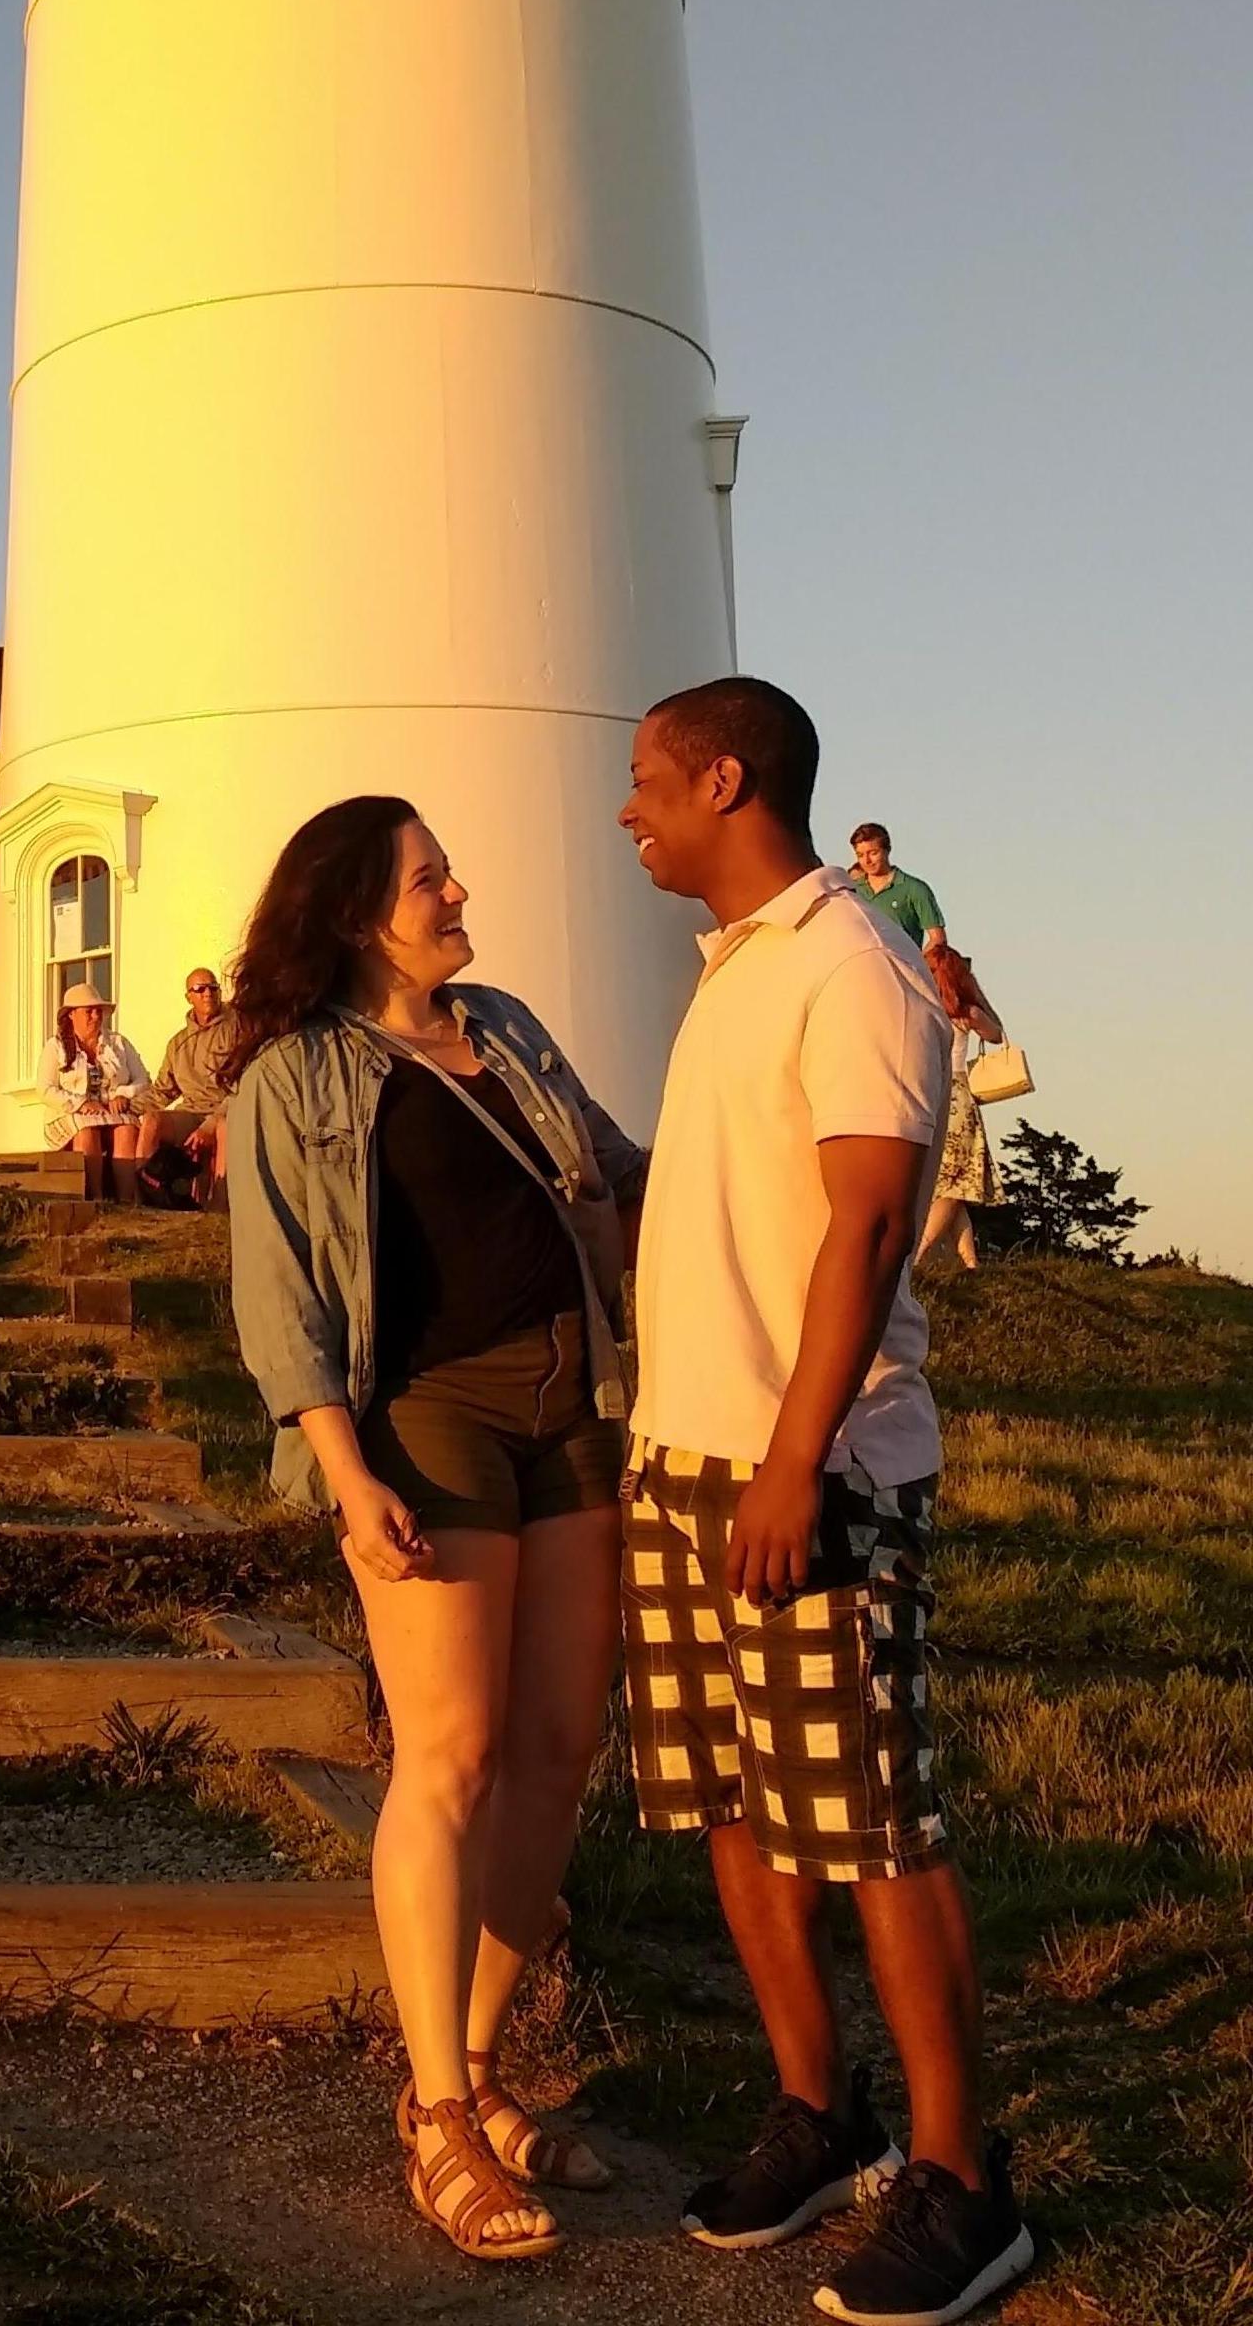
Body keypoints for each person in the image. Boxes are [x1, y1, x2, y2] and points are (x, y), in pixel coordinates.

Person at [620, 680, 1034, 2326]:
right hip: (683, 1456)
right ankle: (822, 2108)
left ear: (722, 778)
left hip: (814, 1464)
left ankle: (959, 2177)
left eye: (645, 780)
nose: (626, 807)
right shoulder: (730, 968)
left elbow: (867, 1227)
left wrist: (792, 1461)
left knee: (868, 1819)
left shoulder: (852, 961)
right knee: (732, 1801)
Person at [226, 798, 645, 2267]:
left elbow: (614, 1166)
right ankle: (443, 2109)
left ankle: (468, 2079)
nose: (458, 888)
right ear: (357, 913)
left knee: (557, 1749)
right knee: (452, 1756)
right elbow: (281, 1301)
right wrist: (347, 1471)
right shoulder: (295, 1078)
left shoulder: (510, 1026)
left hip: (576, 1395)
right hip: (428, 1418)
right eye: (426, 877)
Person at [919, 943, 1006, 1273]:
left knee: (952, 1183)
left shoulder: (922, 1004)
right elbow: (996, 1032)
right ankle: (920, 1253)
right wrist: (977, 995)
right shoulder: (965, 1013)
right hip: (958, 1095)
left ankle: (970, 1263)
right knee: (955, 1184)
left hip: (931, 1090)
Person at [37, 983, 163, 1199]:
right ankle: (95, 1197)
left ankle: (127, 1200)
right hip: (71, 1115)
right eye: (89, 1011)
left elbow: (144, 1079)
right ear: (71, 1015)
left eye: (98, 1011)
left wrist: (123, 1093)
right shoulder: (55, 1047)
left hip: (113, 1113)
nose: (95, 1016)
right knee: (87, 1132)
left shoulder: (118, 1043)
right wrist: (81, 1104)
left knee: (126, 1129)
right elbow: (45, 1090)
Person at [153, 966, 234, 1201]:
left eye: (213, 988)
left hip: (225, 1111)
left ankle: (219, 1204)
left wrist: (209, 1125)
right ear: (189, 997)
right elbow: (161, 1091)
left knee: (224, 1128)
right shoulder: (178, 1043)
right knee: (152, 1122)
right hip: (190, 1112)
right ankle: (144, 1199)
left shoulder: (237, 1029)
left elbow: (241, 1087)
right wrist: (124, 1108)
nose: (207, 993)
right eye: (200, 989)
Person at [847, 825, 947, 954]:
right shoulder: (851, 891)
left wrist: (916, 965)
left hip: (902, 969)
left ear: (887, 850)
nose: (867, 861)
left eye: (873, 853)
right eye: (860, 855)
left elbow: (938, 939)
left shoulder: (914, 888)